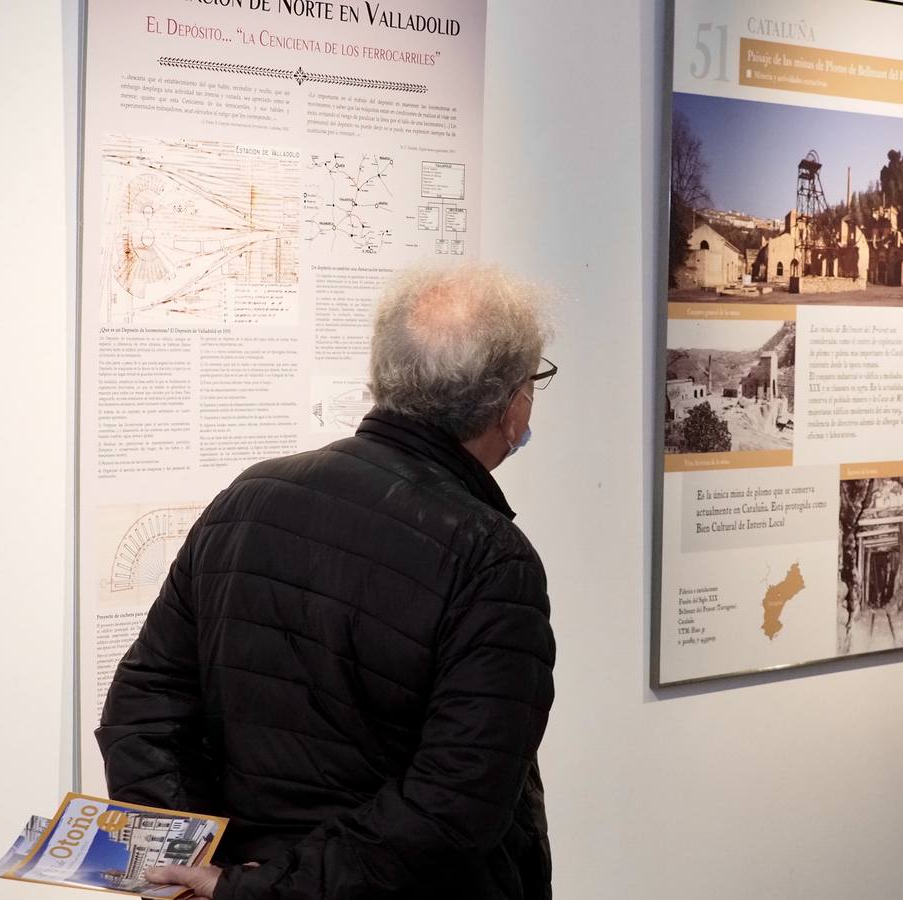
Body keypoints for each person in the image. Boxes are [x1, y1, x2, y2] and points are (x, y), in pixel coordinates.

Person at [97, 263, 558, 899]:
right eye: (534, 380)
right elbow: (452, 809)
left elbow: (142, 709)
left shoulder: (249, 496)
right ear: (508, 403)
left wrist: (201, 865)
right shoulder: (489, 557)